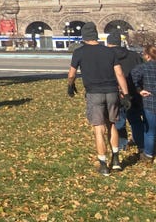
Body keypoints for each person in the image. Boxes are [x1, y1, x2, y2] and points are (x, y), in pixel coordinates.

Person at [67, 22, 132, 175]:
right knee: (112, 125)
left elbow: (71, 74)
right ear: (96, 35)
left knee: (98, 128)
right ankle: (116, 159)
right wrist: (126, 94)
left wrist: (70, 85)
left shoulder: (79, 52)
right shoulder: (110, 52)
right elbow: (119, 74)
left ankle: (103, 165)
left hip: (93, 93)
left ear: (84, 36)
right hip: (111, 92)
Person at [105, 29, 143, 153]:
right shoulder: (134, 55)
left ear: (109, 42)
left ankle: (122, 144)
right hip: (133, 91)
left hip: (115, 91)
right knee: (136, 120)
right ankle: (140, 144)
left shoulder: (107, 55)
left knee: (118, 120)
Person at [130, 44, 156, 166]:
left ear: (147, 55)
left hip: (150, 102)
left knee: (149, 131)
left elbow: (132, 77)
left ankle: (148, 154)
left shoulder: (143, 68)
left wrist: (139, 90)